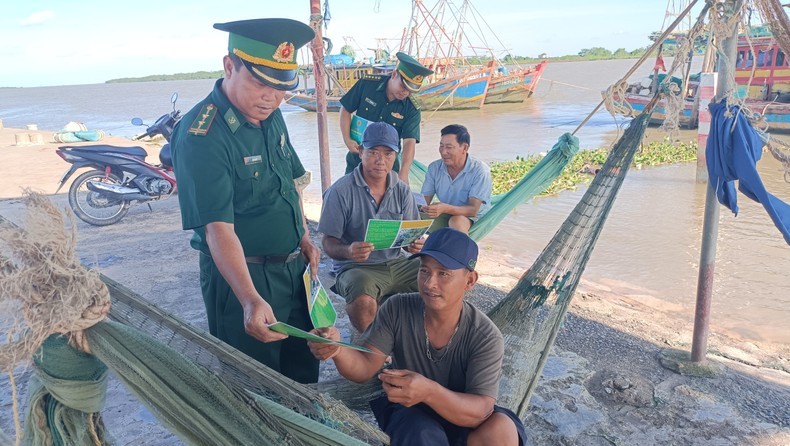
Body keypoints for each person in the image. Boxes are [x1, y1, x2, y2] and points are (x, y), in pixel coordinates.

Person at [170, 18, 321, 384]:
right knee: (256, 388)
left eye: (281, 87)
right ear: (229, 66)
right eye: (259, 82)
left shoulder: (270, 115)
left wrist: (302, 235)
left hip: (293, 270)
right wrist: (250, 298)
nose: (271, 96)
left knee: (302, 376)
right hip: (244, 277)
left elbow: (290, 183)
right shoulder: (202, 134)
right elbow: (217, 230)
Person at [308, 228, 526, 446]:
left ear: (470, 281)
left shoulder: (485, 336)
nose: (430, 283)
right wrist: (337, 349)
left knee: (502, 429)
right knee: (421, 433)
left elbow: (481, 410)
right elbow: (364, 367)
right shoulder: (397, 308)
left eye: (443, 273)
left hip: (461, 410)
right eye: (424, 271)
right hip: (411, 411)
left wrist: (430, 392)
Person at [318, 121, 423, 332]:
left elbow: (408, 239)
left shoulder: (402, 190)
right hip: (356, 267)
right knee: (363, 297)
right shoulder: (340, 191)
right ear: (360, 151)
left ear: (396, 156)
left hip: (396, 263)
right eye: (373, 151)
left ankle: (424, 340)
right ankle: (372, 348)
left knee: (443, 276)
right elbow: (327, 244)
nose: (381, 160)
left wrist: (414, 245)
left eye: (388, 153)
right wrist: (348, 251)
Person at [339, 52, 433, 184]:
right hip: (357, 160)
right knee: (349, 199)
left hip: (386, 169)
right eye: (403, 86)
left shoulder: (411, 108)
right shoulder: (367, 85)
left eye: (411, 90)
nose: (405, 92)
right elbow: (345, 109)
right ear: (394, 74)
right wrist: (347, 140)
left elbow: (409, 142)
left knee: (385, 203)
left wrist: (404, 173)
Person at [421, 124, 493, 234]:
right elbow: (423, 201)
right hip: (445, 213)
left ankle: (460, 250)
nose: (443, 152)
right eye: (441, 146)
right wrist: (421, 208)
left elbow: (473, 210)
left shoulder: (480, 171)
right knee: (411, 216)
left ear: (464, 148)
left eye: (449, 147)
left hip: (473, 218)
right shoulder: (434, 168)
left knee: (456, 220)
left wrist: (444, 208)